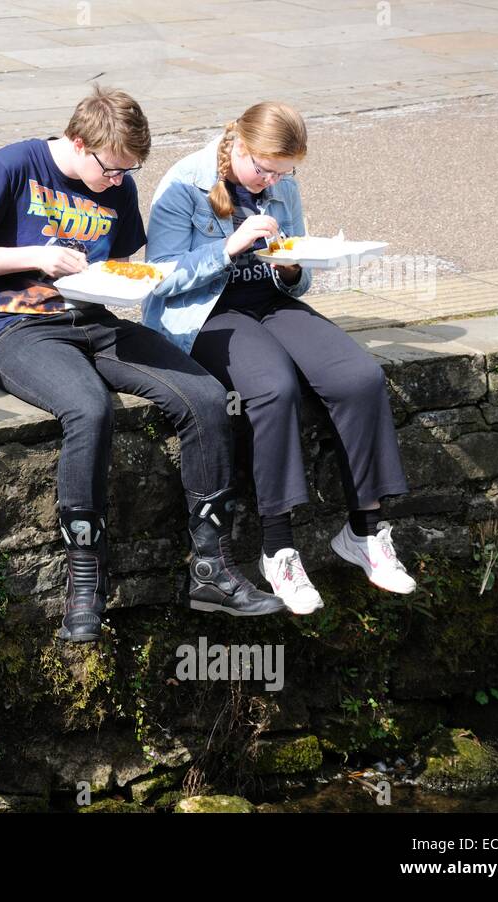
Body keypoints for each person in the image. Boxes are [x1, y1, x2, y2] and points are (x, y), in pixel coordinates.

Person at [0, 85, 286, 640]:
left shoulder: (117, 182)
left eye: (130, 170)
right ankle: (85, 579)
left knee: (203, 397)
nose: (120, 181)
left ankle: (210, 567)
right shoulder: (12, 165)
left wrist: (123, 282)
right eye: (112, 170)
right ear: (79, 143)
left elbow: (119, 264)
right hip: (18, 329)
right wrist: (35, 256)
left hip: (96, 322)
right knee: (89, 409)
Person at [143, 101, 415, 615]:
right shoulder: (183, 183)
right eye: (263, 169)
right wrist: (227, 249)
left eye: (282, 173)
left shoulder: (282, 183)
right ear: (239, 146)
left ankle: (365, 530)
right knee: (274, 386)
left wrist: (292, 268)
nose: (271, 181)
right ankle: (277, 547)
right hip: (203, 313)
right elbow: (160, 277)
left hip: (268, 302)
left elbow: (296, 274)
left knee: (359, 377)